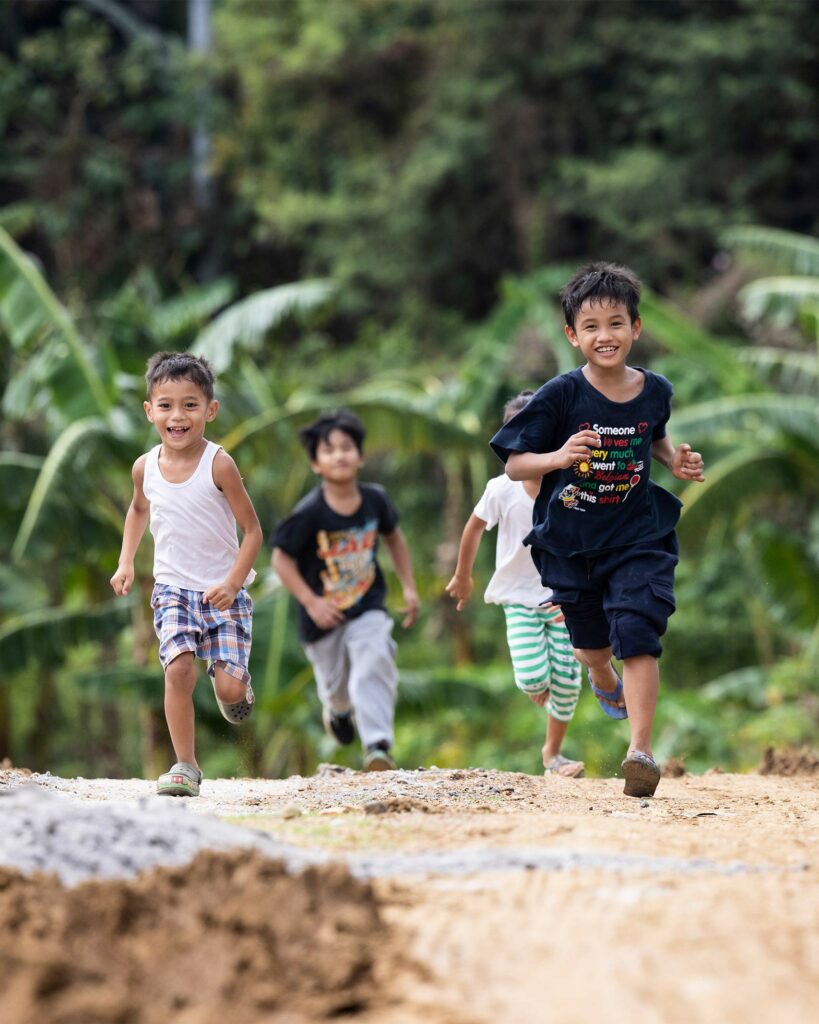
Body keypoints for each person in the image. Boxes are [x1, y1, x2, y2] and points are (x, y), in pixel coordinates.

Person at [490, 263, 704, 797]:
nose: (604, 336)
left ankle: (641, 752)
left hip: (637, 537)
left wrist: (671, 459)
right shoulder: (560, 395)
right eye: (591, 326)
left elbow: (652, 437)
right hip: (571, 544)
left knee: (638, 632)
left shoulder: (655, 390)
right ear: (572, 335)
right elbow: (515, 465)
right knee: (591, 648)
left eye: (615, 323)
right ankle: (600, 676)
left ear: (637, 327)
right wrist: (559, 454)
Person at [111, 352, 262, 797]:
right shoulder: (144, 467)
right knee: (177, 670)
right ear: (149, 410)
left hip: (224, 592)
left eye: (190, 405)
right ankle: (185, 765)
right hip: (172, 589)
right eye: (166, 405)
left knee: (230, 689)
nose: (178, 416)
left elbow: (253, 531)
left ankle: (234, 688)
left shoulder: (220, 465)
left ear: (210, 411)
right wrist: (125, 562)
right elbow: (138, 510)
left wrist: (234, 581)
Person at [445, 391, 585, 778]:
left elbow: (582, 541)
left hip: (561, 599)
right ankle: (538, 693)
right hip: (518, 599)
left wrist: (580, 591)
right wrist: (463, 575)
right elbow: (474, 528)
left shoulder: (568, 487)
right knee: (534, 677)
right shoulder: (500, 490)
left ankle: (553, 757)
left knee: (569, 685)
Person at [271, 410, 419, 771]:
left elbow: (394, 538)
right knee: (336, 688)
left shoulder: (375, 500)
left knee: (374, 659)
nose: (339, 455)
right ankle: (337, 711)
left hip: (367, 603)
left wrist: (409, 587)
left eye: (347, 447)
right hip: (322, 618)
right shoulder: (309, 513)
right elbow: (280, 560)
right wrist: (311, 602)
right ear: (315, 463)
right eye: (329, 450)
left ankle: (378, 745)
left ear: (361, 456)